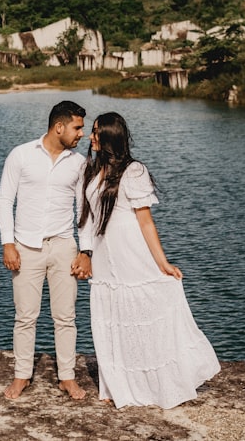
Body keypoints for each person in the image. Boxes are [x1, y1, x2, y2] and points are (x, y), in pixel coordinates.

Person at [79, 111, 220, 409]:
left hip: (132, 255)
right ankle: (116, 386)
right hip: (106, 260)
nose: (90, 137)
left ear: (109, 138)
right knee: (113, 321)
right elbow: (87, 221)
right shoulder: (90, 172)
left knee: (141, 318)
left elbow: (146, 223)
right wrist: (86, 253)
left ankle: (156, 385)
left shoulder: (134, 172)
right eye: (91, 131)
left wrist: (163, 263)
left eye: (96, 132)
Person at [0, 100, 93, 401]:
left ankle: (67, 377)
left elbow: (85, 211)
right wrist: (8, 243)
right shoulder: (21, 155)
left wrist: (85, 251)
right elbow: (4, 201)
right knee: (25, 316)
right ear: (59, 126)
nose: (82, 134)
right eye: (77, 128)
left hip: (64, 246)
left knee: (65, 317)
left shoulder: (79, 164)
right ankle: (22, 375)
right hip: (26, 247)